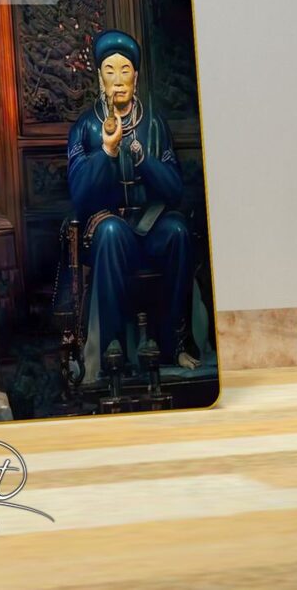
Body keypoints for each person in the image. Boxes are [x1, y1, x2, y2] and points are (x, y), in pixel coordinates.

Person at [67, 29, 200, 370]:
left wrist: (142, 157)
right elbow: (79, 195)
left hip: (150, 226)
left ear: (135, 77)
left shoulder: (153, 124)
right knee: (111, 232)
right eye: (109, 71)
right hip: (110, 232)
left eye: (125, 70)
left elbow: (174, 190)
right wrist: (107, 150)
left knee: (178, 231)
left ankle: (174, 343)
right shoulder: (86, 127)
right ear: (100, 78)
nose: (118, 79)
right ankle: (113, 351)